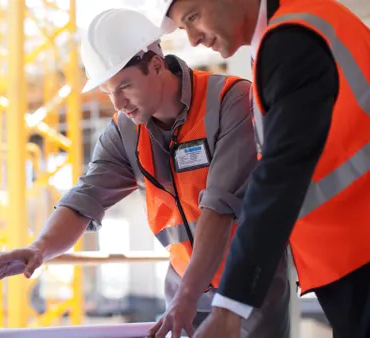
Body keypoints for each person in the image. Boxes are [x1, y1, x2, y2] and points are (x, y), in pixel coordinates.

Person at [0, 8, 290, 338]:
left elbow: (219, 207)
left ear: (156, 65)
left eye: (125, 86)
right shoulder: (125, 131)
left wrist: (185, 298)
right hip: (184, 291)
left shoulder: (230, 101)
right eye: (107, 92)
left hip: (245, 291)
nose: (118, 103)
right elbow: (87, 197)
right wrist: (40, 248)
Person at [155, 0, 370, 337]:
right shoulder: (295, 28)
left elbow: (279, 176)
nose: (194, 40)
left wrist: (229, 307)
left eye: (194, 18)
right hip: (350, 249)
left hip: (360, 248)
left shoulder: (292, 40)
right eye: (185, 28)